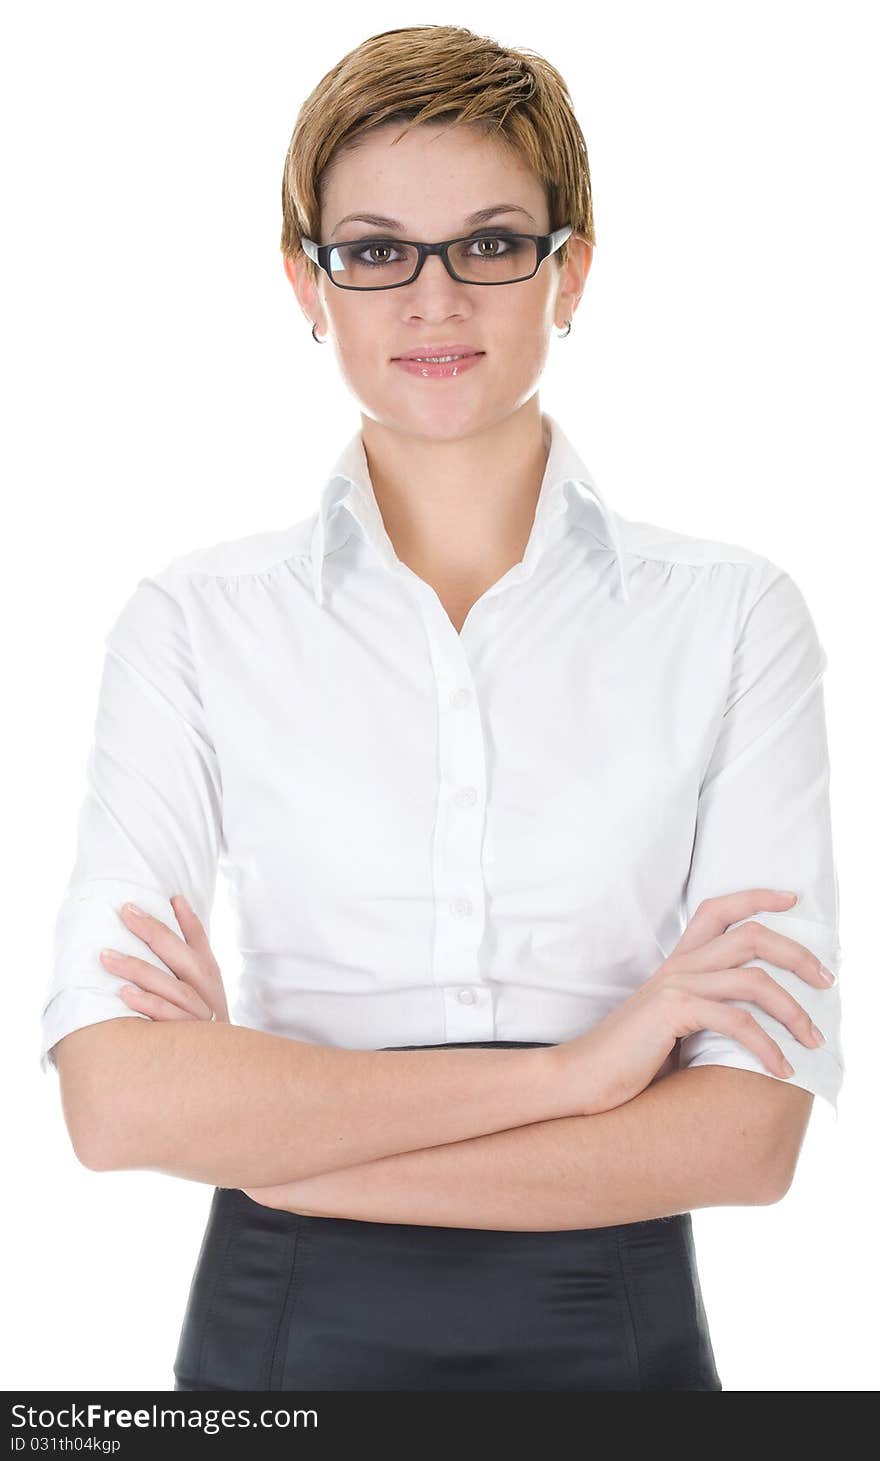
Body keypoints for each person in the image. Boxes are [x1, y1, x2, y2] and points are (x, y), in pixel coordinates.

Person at [41, 24, 844, 1393]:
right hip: (275, 1337)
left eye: (489, 242)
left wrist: (278, 1134)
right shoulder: (193, 621)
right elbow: (117, 1105)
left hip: (617, 1329)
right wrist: (584, 1073)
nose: (433, 299)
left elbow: (742, 1143)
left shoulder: (730, 618)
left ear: (568, 269)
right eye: (374, 250)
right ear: (309, 282)